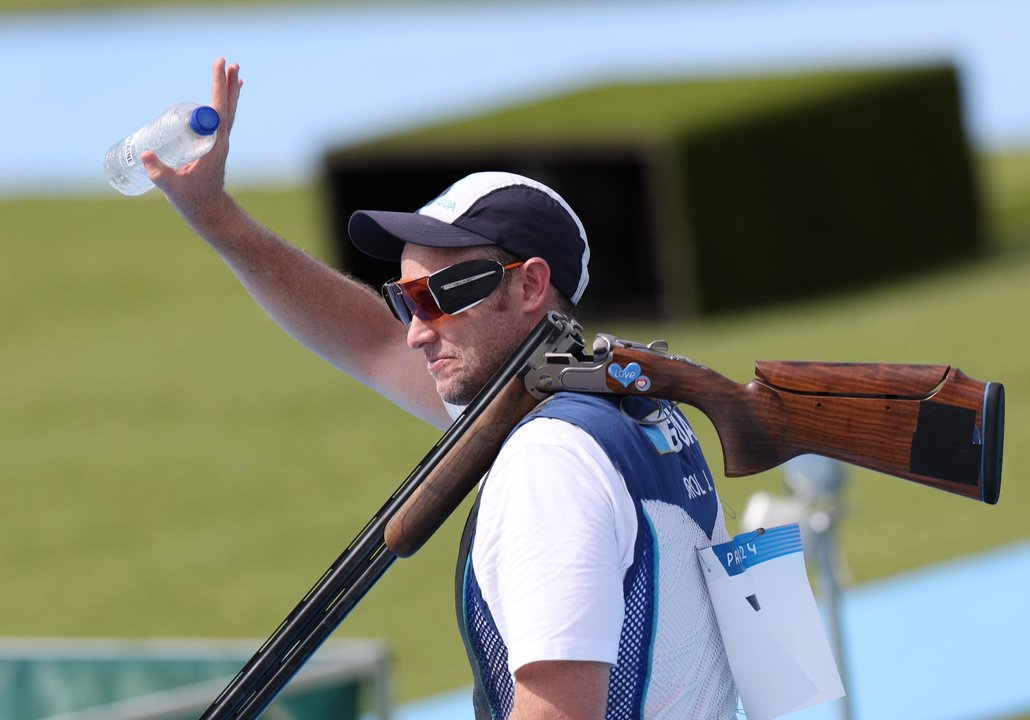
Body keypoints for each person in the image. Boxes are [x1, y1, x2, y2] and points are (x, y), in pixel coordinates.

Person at [143, 58, 739, 720]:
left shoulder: (550, 460)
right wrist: (215, 217)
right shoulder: (619, 410)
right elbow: (366, 337)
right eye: (406, 300)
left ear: (531, 286)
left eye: (442, 296)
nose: (414, 332)